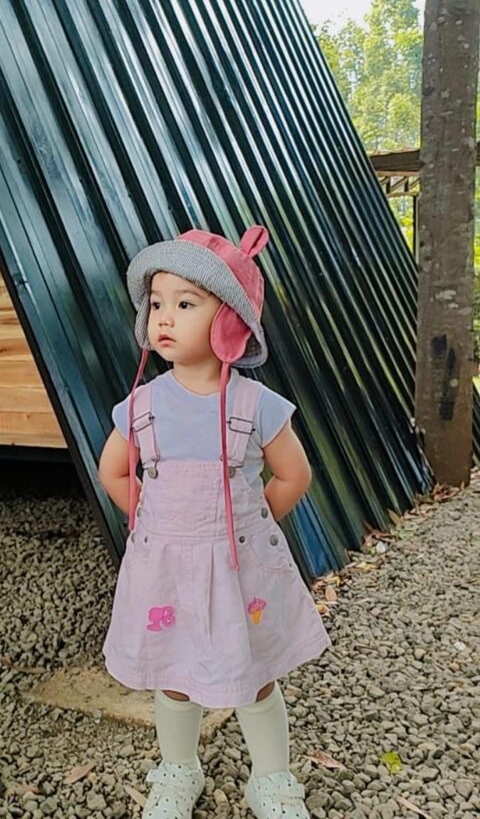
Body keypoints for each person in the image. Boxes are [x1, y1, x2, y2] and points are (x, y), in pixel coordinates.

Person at [98, 226, 331, 819]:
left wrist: (246, 526)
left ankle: (271, 779)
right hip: (167, 570)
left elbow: (293, 476)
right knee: (173, 672)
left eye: (185, 304)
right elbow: (115, 472)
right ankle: (179, 768)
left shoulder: (257, 405)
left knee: (254, 674)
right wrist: (154, 525)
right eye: (156, 303)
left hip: (238, 570)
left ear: (230, 321)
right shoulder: (142, 406)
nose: (163, 317)